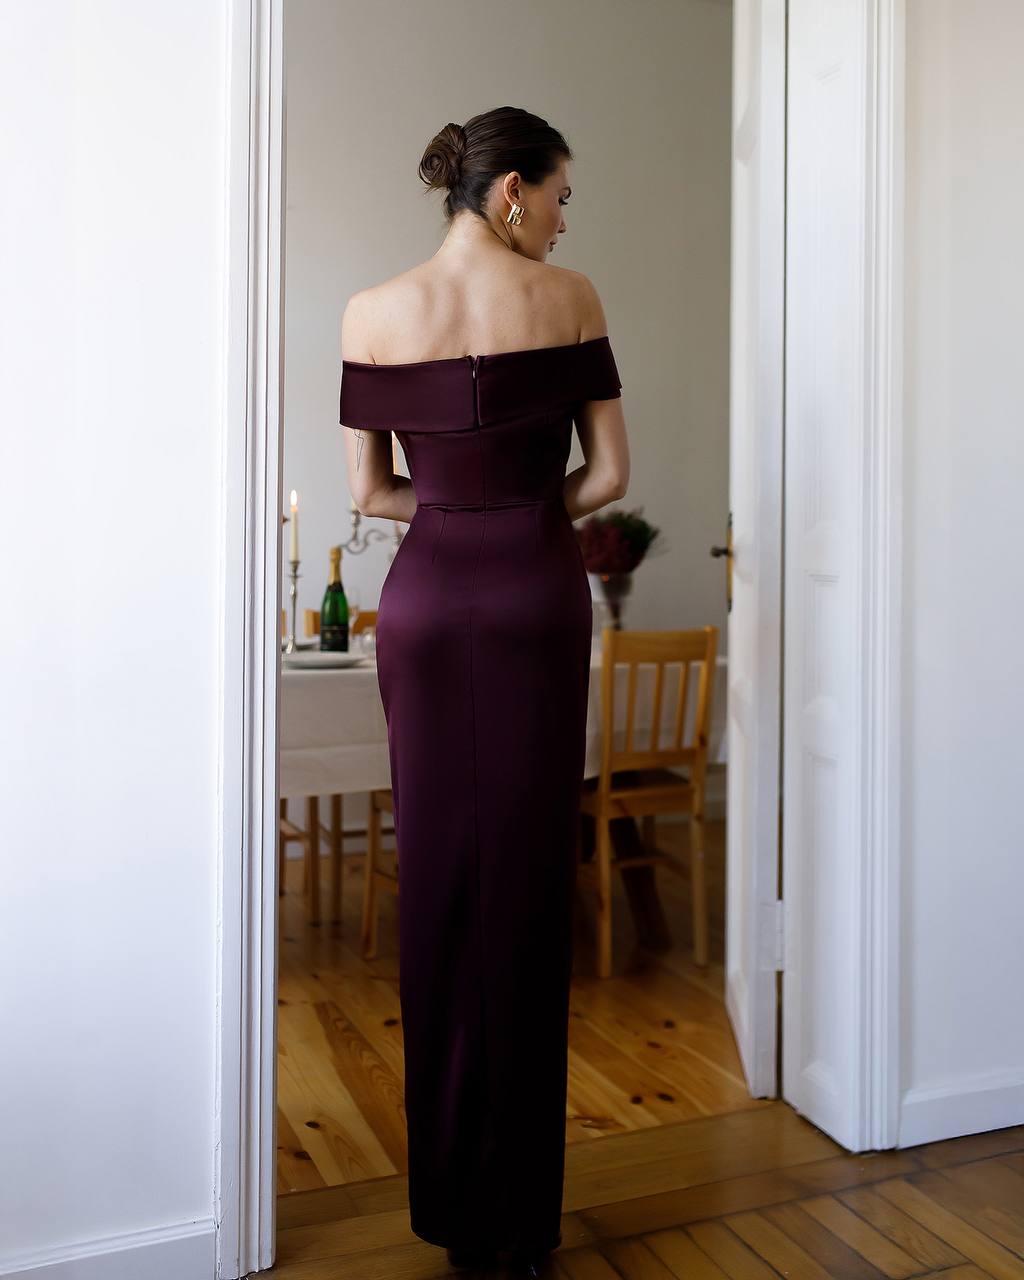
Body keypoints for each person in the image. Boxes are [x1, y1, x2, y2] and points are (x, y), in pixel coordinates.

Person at [338, 105, 629, 1276]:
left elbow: (367, 493)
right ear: (510, 191)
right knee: (526, 886)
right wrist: (517, 522)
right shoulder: (573, 302)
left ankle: (449, 1206)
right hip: (534, 597)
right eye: (560, 194)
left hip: (422, 607)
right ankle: (516, 1213)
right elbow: (608, 473)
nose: (565, 218)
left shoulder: (371, 310)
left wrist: (457, 517)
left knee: (440, 885)